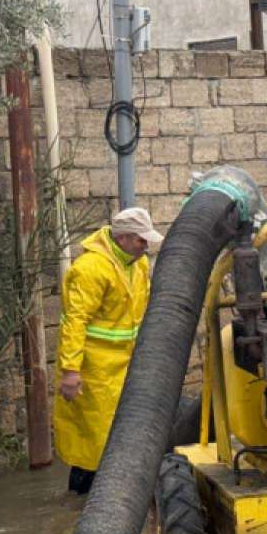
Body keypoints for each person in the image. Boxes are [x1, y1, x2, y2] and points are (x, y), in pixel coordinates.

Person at [54, 206, 163, 494]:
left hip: (126, 364)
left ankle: (113, 493)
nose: (145, 246)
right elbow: (75, 322)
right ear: (123, 238)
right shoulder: (90, 269)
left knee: (122, 432)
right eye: (141, 240)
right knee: (95, 439)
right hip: (96, 370)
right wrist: (70, 371)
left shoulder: (137, 264)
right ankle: (85, 498)